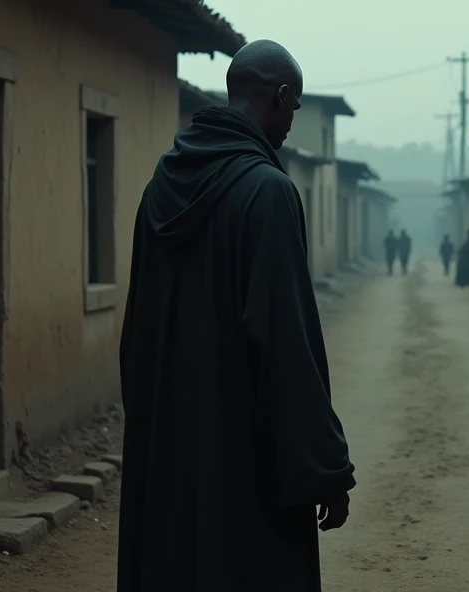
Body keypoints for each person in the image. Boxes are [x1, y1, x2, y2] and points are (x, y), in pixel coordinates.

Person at [118, 40, 356, 592]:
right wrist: (324, 470)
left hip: (170, 449)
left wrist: (154, 431)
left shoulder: (160, 190)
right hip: (246, 458)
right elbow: (287, 343)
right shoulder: (268, 191)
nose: (291, 125)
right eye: (293, 110)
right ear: (279, 96)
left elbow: (137, 329)